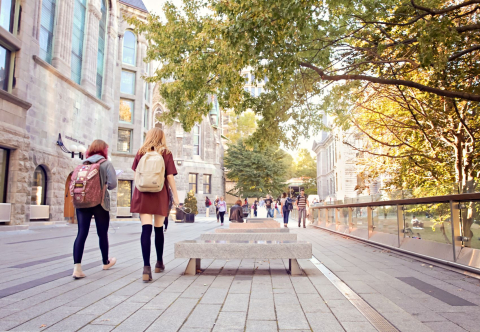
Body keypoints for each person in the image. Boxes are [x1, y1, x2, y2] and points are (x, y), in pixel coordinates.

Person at [131, 127, 179, 282]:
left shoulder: (140, 152)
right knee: (158, 229)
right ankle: (159, 262)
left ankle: (146, 267)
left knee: (146, 229)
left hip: (143, 194)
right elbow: (170, 177)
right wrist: (176, 198)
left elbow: (136, 176)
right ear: (161, 137)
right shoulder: (165, 153)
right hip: (159, 194)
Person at [72, 140, 117, 279]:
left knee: (82, 233)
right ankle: (105, 262)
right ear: (104, 150)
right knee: (102, 233)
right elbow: (113, 184)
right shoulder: (106, 163)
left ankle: (77, 268)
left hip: (82, 201)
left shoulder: (83, 164)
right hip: (100, 203)